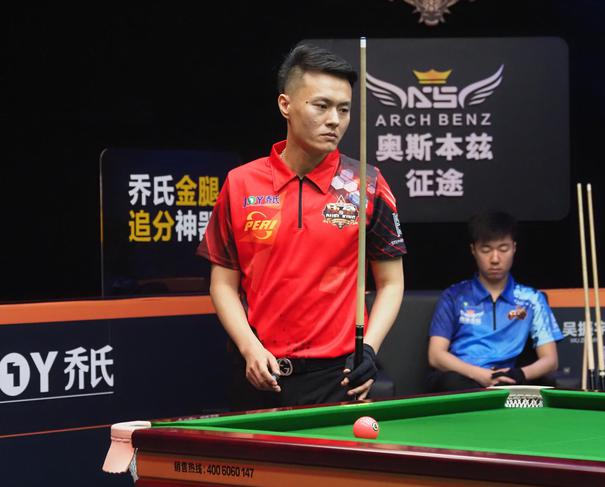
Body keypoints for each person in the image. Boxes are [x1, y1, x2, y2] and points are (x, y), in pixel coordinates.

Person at [197, 43, 406, 411]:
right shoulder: (240, 184)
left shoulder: (367, 185)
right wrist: (250, 348)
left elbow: (391, 283)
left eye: (344, 109)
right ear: (286, 105)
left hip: (339, 378)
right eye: (321, 106)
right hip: (259, 371)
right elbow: (222, 285)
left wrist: (369, 350)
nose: (334, 120)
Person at [427, 211, 563, 392]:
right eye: (486, 250)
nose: (495, 259)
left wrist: (520, 374)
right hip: (464, 379)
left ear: (514, 248)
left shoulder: (531, 299)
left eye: (503, 249)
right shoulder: (454, 296)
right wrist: (479, 374)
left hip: (509, 380)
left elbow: (550, 360)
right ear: (473, 250)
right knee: (450, 382)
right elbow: (436, 355)